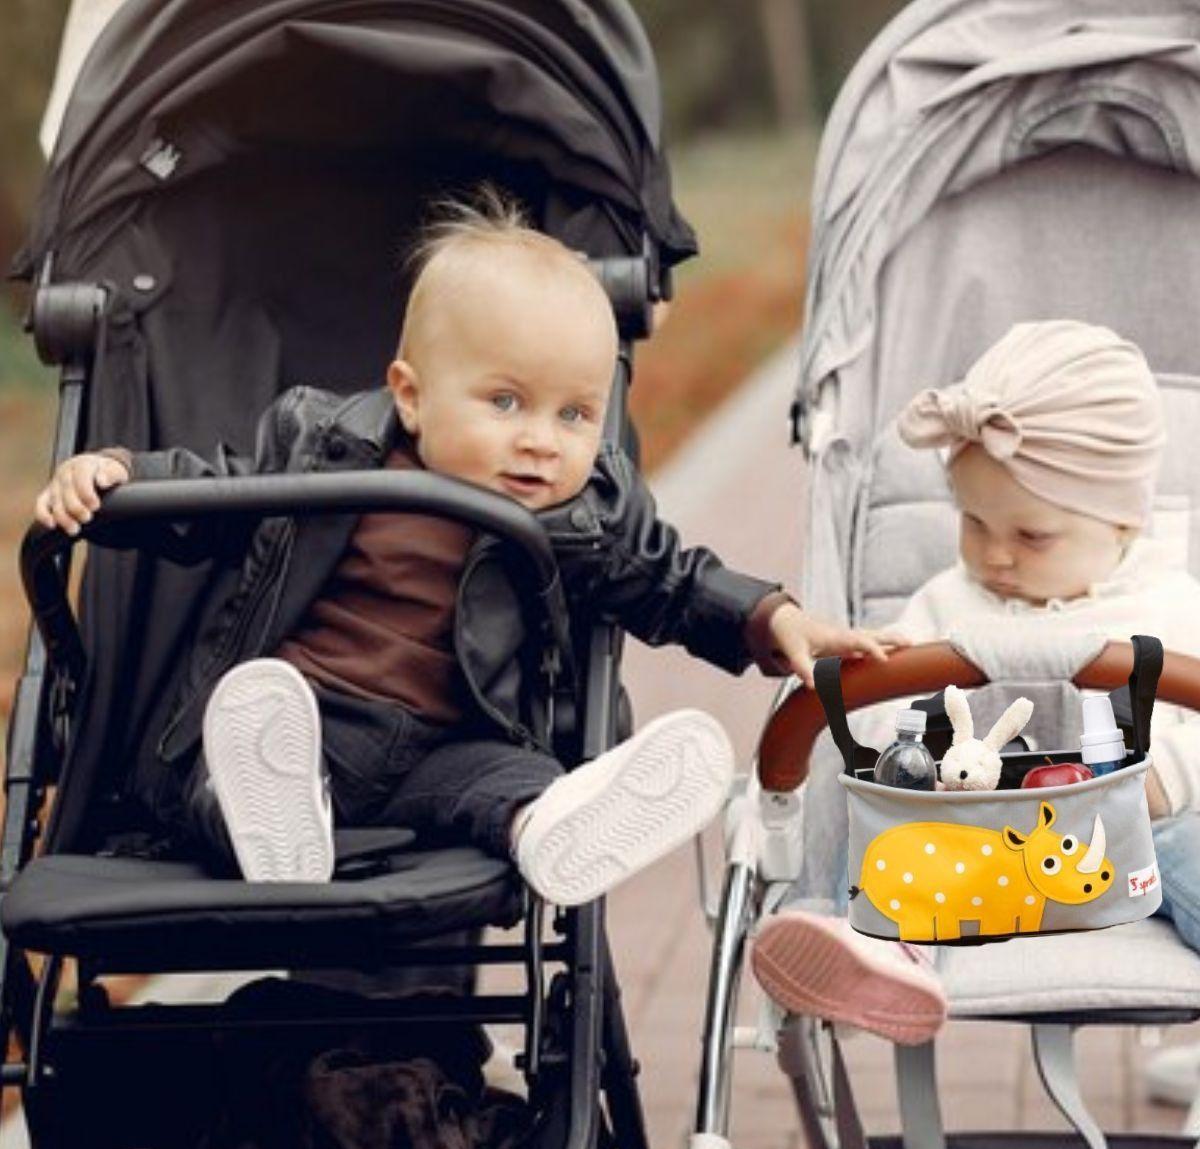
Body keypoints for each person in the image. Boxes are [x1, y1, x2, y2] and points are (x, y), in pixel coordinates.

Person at [35, 192, 898, 907]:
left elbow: (666, 580)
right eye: (506, 402)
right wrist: (118, 477)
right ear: (410, 396)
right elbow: (212, 494)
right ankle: (280, 821)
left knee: (508, 781)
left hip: (440, 753)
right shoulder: (324, 447)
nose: (541, 442)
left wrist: (769, 616)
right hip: (303, 718)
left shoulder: (580, 513)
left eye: (575, 415)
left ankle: (554, 824)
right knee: (238, 760)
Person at [750, 319, 1200, 1047]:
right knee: (883, 842)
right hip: (977, 850)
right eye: (973, 523)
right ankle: (868, 952)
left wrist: (1167, 779)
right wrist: (919, 754)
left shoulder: (1173, 608)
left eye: (1031, 536)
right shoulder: (945, 602)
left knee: (1195, 845)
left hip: (1129, 847)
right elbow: (873, 716)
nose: (994, 556)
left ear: (1125, 523)